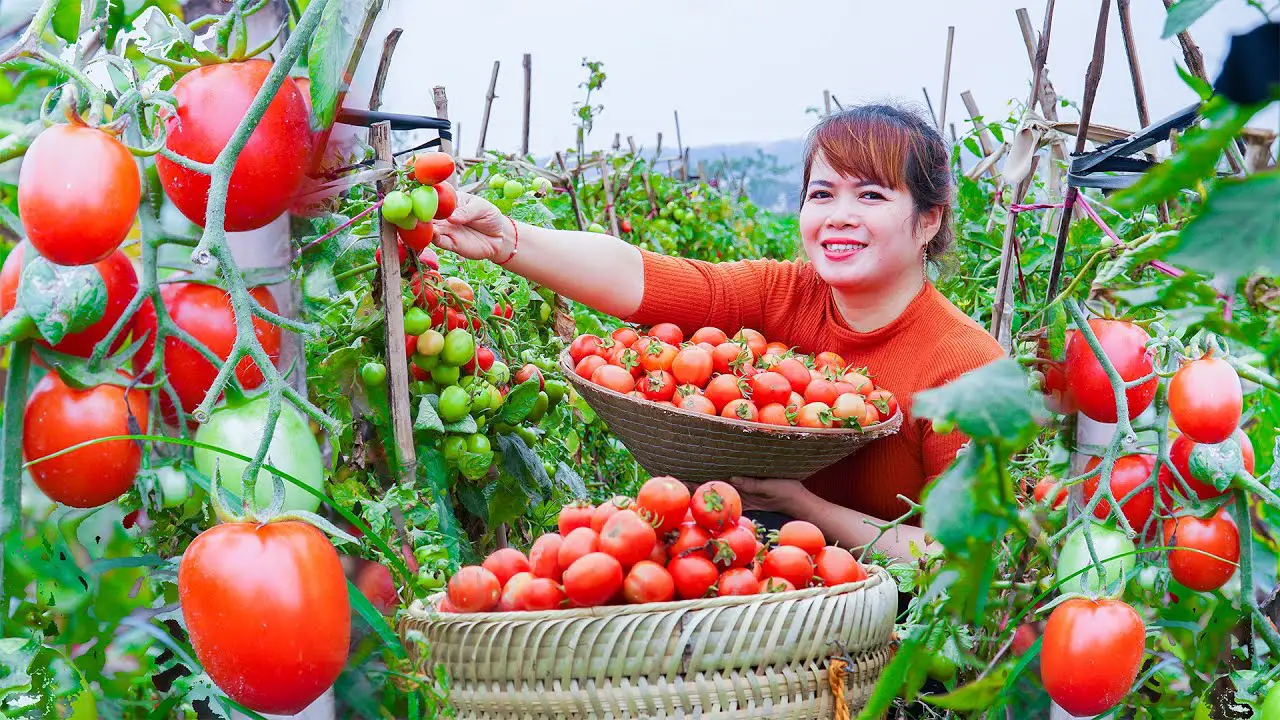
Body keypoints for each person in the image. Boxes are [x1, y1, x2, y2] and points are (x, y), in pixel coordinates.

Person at [430, 103, 1003, 561]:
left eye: (871, 195)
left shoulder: (966, 367)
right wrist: (509, 239)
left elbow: (966, 560)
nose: (839, 215)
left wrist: (807, 509)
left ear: (929, 218)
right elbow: (643, 278)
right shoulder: (785, 293)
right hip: (756, 600)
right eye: (822, 193)